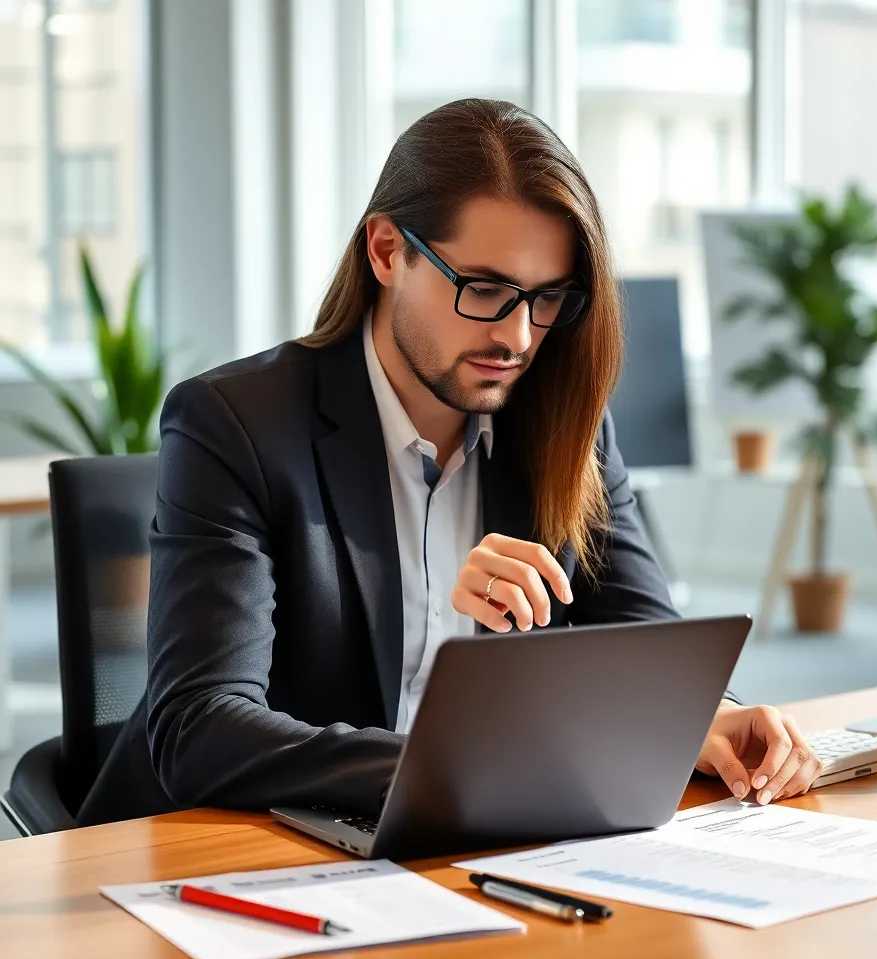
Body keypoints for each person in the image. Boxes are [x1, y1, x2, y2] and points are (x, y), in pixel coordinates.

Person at [78, 98, 824, 826]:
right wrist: (459, 767)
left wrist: (706, 717)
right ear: (386, 251)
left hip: (455, 851)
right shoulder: (237, 424)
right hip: (225, 862)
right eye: (487, 289)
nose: (520, 337)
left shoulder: (565, 426)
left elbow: (644, 643)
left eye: (546, 299)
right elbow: (200, 726)